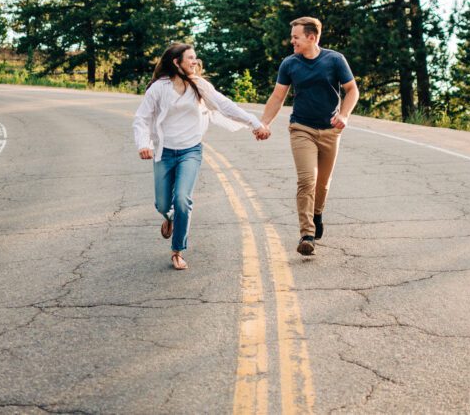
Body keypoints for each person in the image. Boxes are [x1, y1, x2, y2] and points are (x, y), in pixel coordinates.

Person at [133, 43, 267, 270]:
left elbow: (225, 105)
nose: (195, 62)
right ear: (176, 62)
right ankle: (170, 218)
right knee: (162, 204)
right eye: (190, 58)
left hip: (190, 151)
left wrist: (254, 122)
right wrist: (143, 144)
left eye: (195, 58)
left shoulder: (199, 85)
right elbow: (142, 119)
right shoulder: (159, 88)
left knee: (183, 200)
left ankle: (177, 251)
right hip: (164, 152)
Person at [257, 17, 358, 256]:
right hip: (301, 128)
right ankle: (307, 234)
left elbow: (352, 89)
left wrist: (344, 115)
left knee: (322, 184)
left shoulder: (334, 60)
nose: (292, 41)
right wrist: (264, 122)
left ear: (311, 37)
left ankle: (317, 213)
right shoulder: (289, 64)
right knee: (306, 180)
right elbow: (277, 97)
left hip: (331, 131)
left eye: (296, 37)